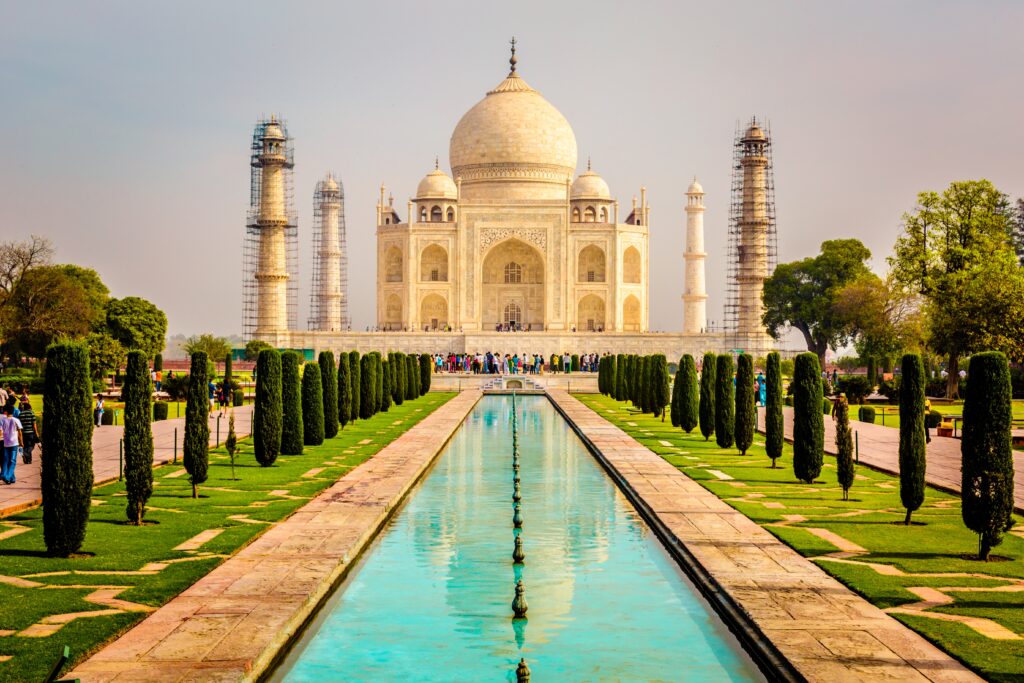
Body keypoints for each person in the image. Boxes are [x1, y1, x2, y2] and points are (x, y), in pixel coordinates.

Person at [1, 404, 23, 484]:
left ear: (5, 411)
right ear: (13, 411)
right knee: (13, 461)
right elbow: (20, 433)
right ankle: (7, 477)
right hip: (14, 443)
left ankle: (12, 478)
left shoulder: (2, 420)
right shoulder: (16, 420)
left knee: (6, 460)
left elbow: (0, 432)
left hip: (6, 443)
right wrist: (21, 442)